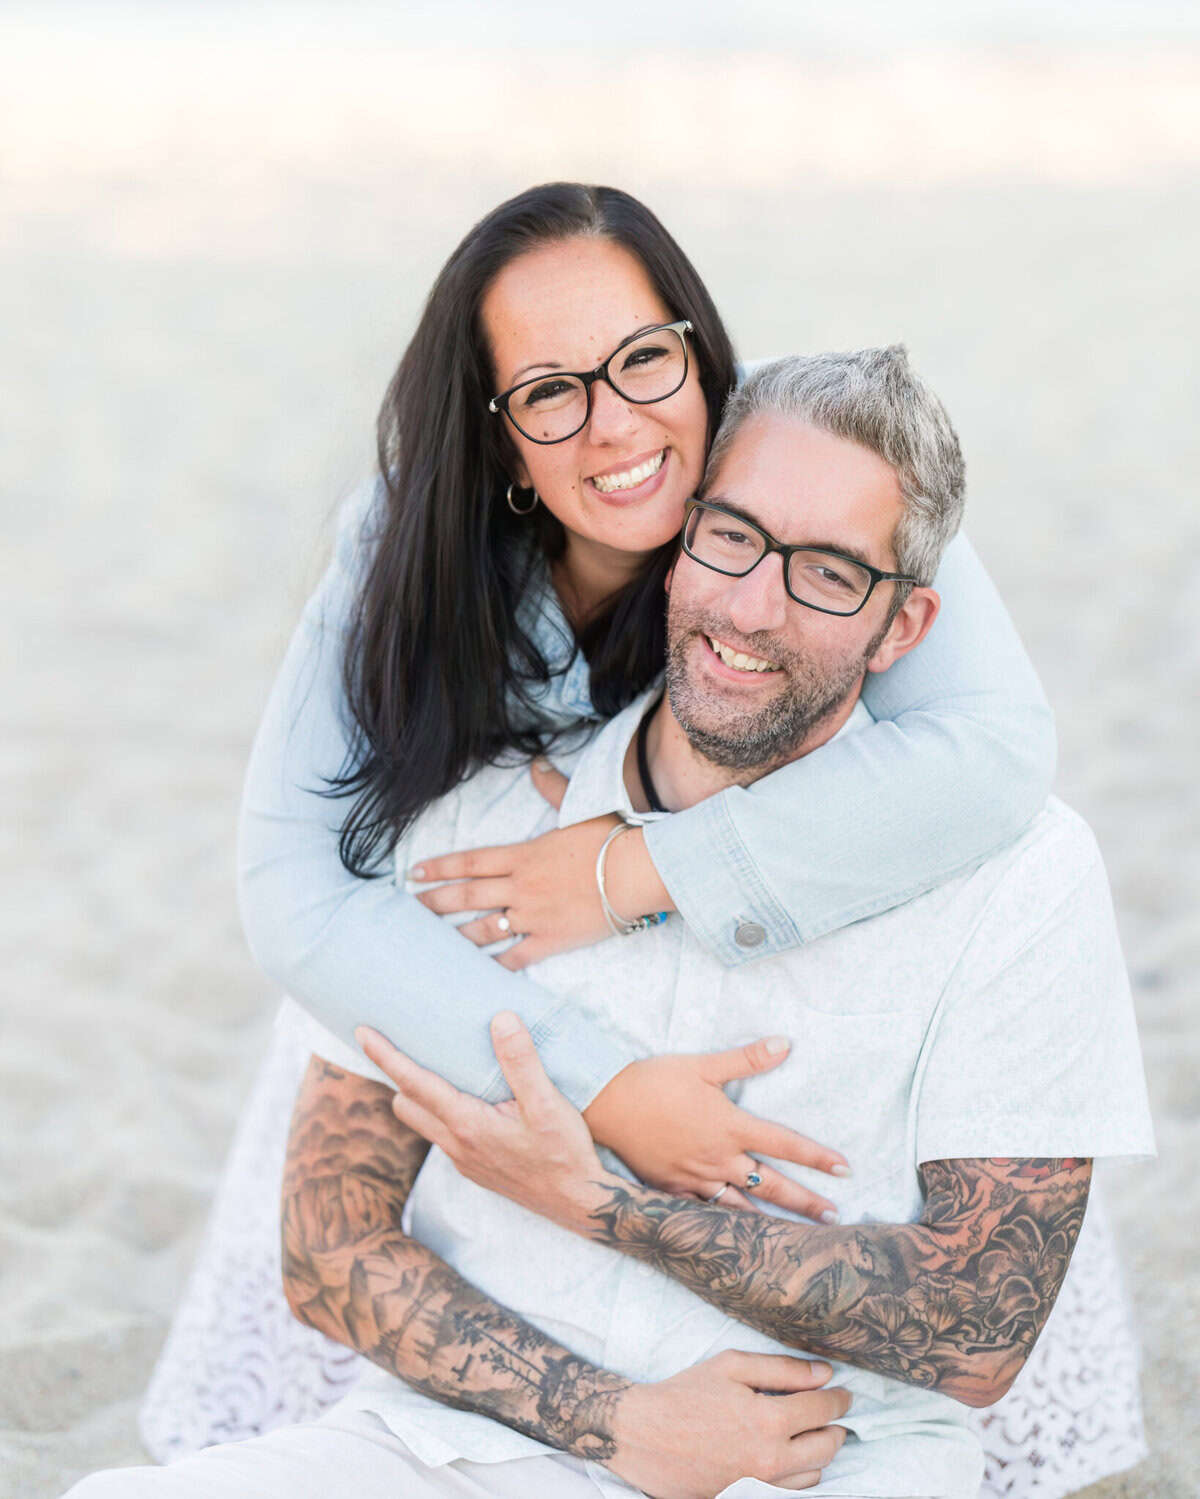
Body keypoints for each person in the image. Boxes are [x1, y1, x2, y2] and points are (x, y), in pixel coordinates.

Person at [136, 185, 1146, 1492]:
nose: (615, 422)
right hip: (445, 1009)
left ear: (700, 359)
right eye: (549, 391)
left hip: (830, 1399)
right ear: (496, 439)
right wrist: (605, 1095)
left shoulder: (817, 479)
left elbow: (997, 752)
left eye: (642, 361)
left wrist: (633, 875)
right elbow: (298, 903)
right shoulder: (437, 639)